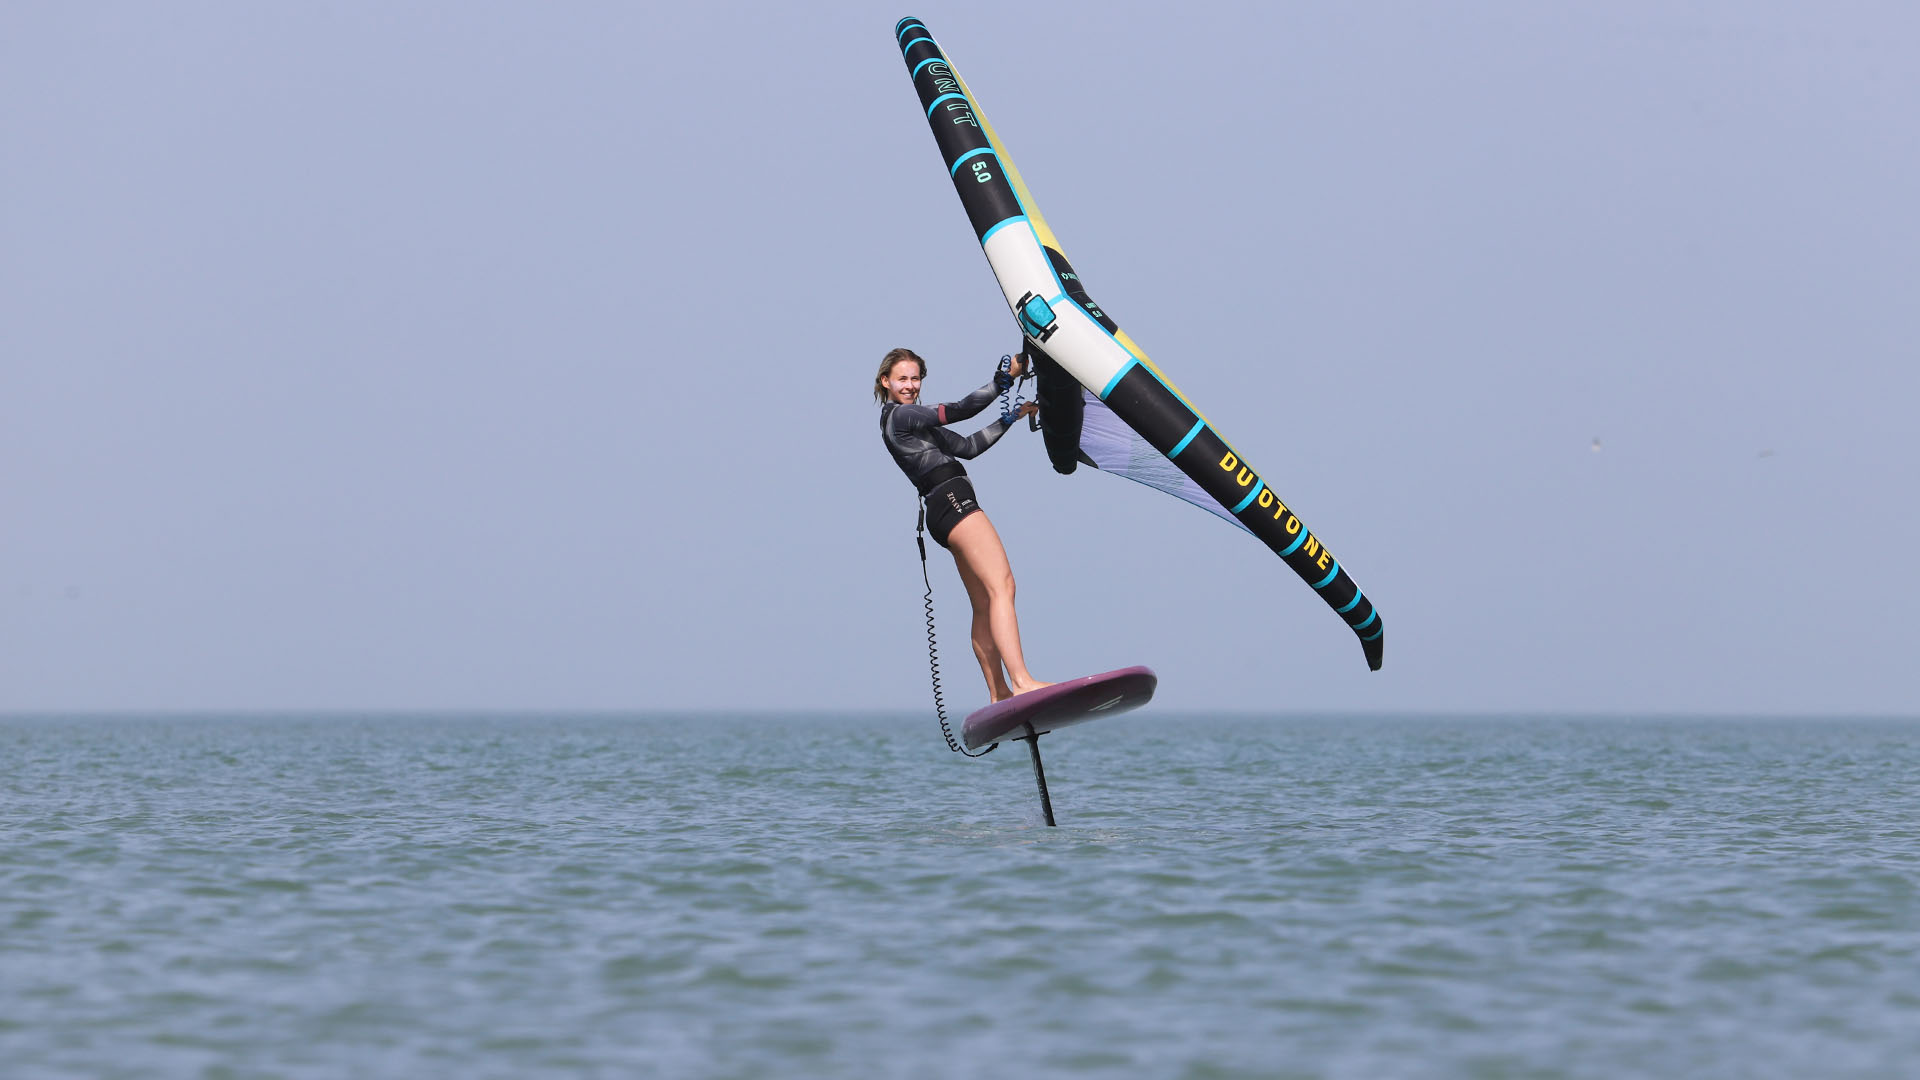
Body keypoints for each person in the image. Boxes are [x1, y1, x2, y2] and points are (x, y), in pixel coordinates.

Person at [875, 347, 1051, 703]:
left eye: (915, 378)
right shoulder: (901, 417)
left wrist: (1011, 418)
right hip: (954, 502)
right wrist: (1006, 379)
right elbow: (957, 410)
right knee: (1003, 586)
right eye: (902, 379)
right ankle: (1022, 681)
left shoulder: (913, 424)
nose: (910, 385)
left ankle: (999, 693)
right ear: (886, 382)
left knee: (985, 603)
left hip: (941, 510)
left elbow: (969, 447)